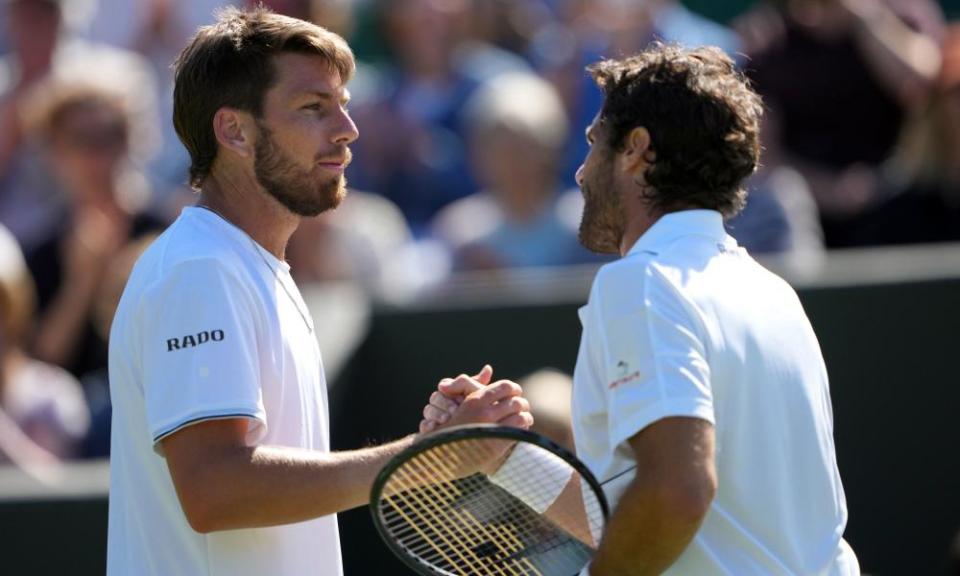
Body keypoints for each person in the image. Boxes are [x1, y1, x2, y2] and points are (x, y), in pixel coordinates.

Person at [106, 7, 532, 576]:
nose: (346, 130)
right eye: (313, 108)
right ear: (234, 130)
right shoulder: (200, 269)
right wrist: (427, 458)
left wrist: (431, 450)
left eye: (344, 106)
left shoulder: (251, 269)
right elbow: (215, 489)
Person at [424, 44, 859, 575]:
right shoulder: (772, 294)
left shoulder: (644, 283)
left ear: (635, 150)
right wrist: (502, 455)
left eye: (592, 145)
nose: (581, 173)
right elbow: (654, 519)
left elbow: (677, 492)